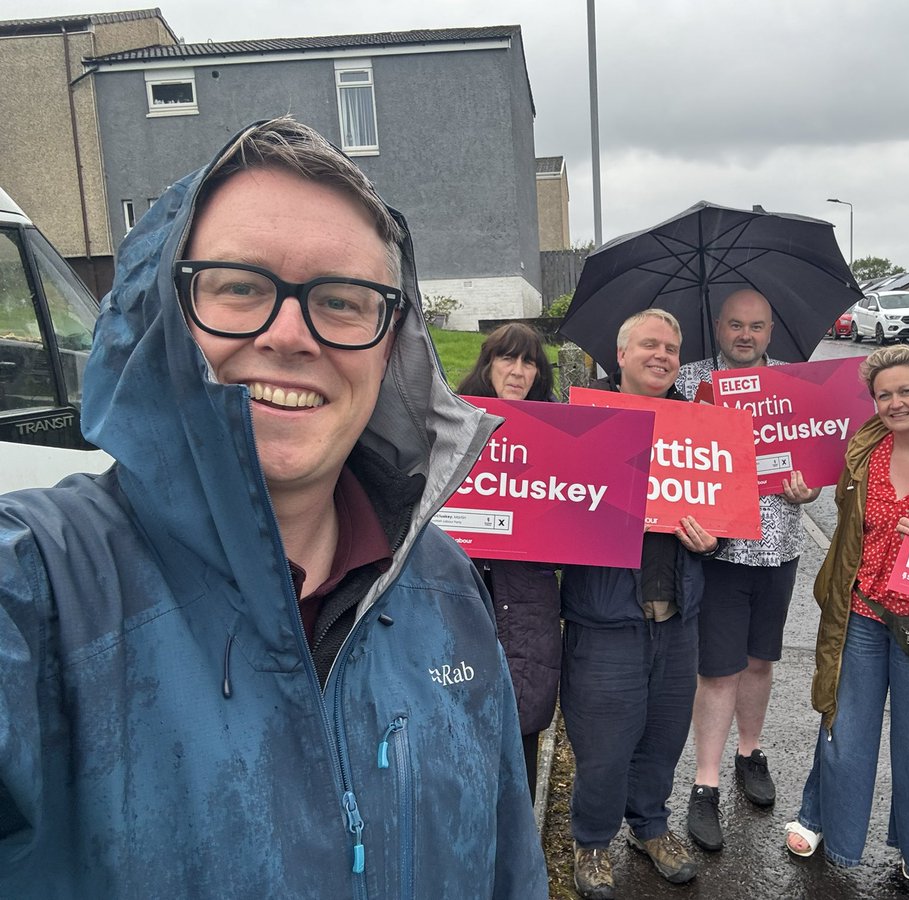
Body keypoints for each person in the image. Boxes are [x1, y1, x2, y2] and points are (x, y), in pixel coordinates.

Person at [0, 118, 548, 897]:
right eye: (239, 287)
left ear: (391, 343)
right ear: (166, 318)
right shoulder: (43, 587)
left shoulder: (445, 584)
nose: (290, 335)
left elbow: (508, 867)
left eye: (344, 301)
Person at [784, 344, 909, 886]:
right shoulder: (865, 451)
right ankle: (830, 830)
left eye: (906, 391)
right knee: (843, 727)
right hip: (863, 611)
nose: (895, 403)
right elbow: (849, 526)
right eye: (884, 395)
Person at [560, 308, 720, 900]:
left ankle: (649, 828)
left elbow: (721, 507)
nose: (662, 356)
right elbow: (553, 501)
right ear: (620, 355)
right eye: (649, 344)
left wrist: (716, 536)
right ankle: (592, 841)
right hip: (605, 618)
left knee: (663, 736)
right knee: (603, 745)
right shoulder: (582, 418)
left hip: (677, 615)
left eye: (672, 348)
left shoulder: (701, 425)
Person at [673, 289, 820, 851]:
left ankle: (749, 753)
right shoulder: (689, 383)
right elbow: (670, 456)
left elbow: (813, 456)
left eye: (756, 326)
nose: (745, 335)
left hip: (779, 547)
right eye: (735, 324)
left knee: (760, 661)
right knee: (717, 671)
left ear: (771, 329)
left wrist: (810, 489)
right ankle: (704, 783)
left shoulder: (792, 382)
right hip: (717, 551)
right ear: (717, 326)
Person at [458, 323, 562, 800]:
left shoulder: (556, 432)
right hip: (466, 591)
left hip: (528, 600)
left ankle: (520, 847)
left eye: (529, 362)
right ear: (488, 363)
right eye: (507, 359)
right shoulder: (456, 420)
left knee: (524, 714)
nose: (518, 371)